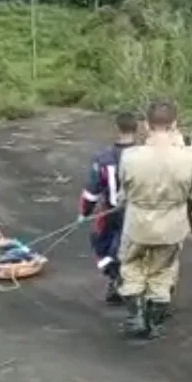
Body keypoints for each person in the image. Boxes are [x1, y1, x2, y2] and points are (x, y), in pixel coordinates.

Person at [117, 99, 192, 342]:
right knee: (163, 270)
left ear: (146, 124)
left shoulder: (130, 156)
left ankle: (136, 317)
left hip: (138, 222)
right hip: (172, 224)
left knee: (131, 266)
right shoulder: (189, 157)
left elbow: (124, 189)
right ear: (174, 124)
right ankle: (154, 320)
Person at [79, 111, 140, 305]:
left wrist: (84, 212)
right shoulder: (144, 155)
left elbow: (92, 191)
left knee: (101, 243)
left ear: (116, 129)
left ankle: (116, 278)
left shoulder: (104, 157)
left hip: (112, 211)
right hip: (140, 212)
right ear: (137, 129)